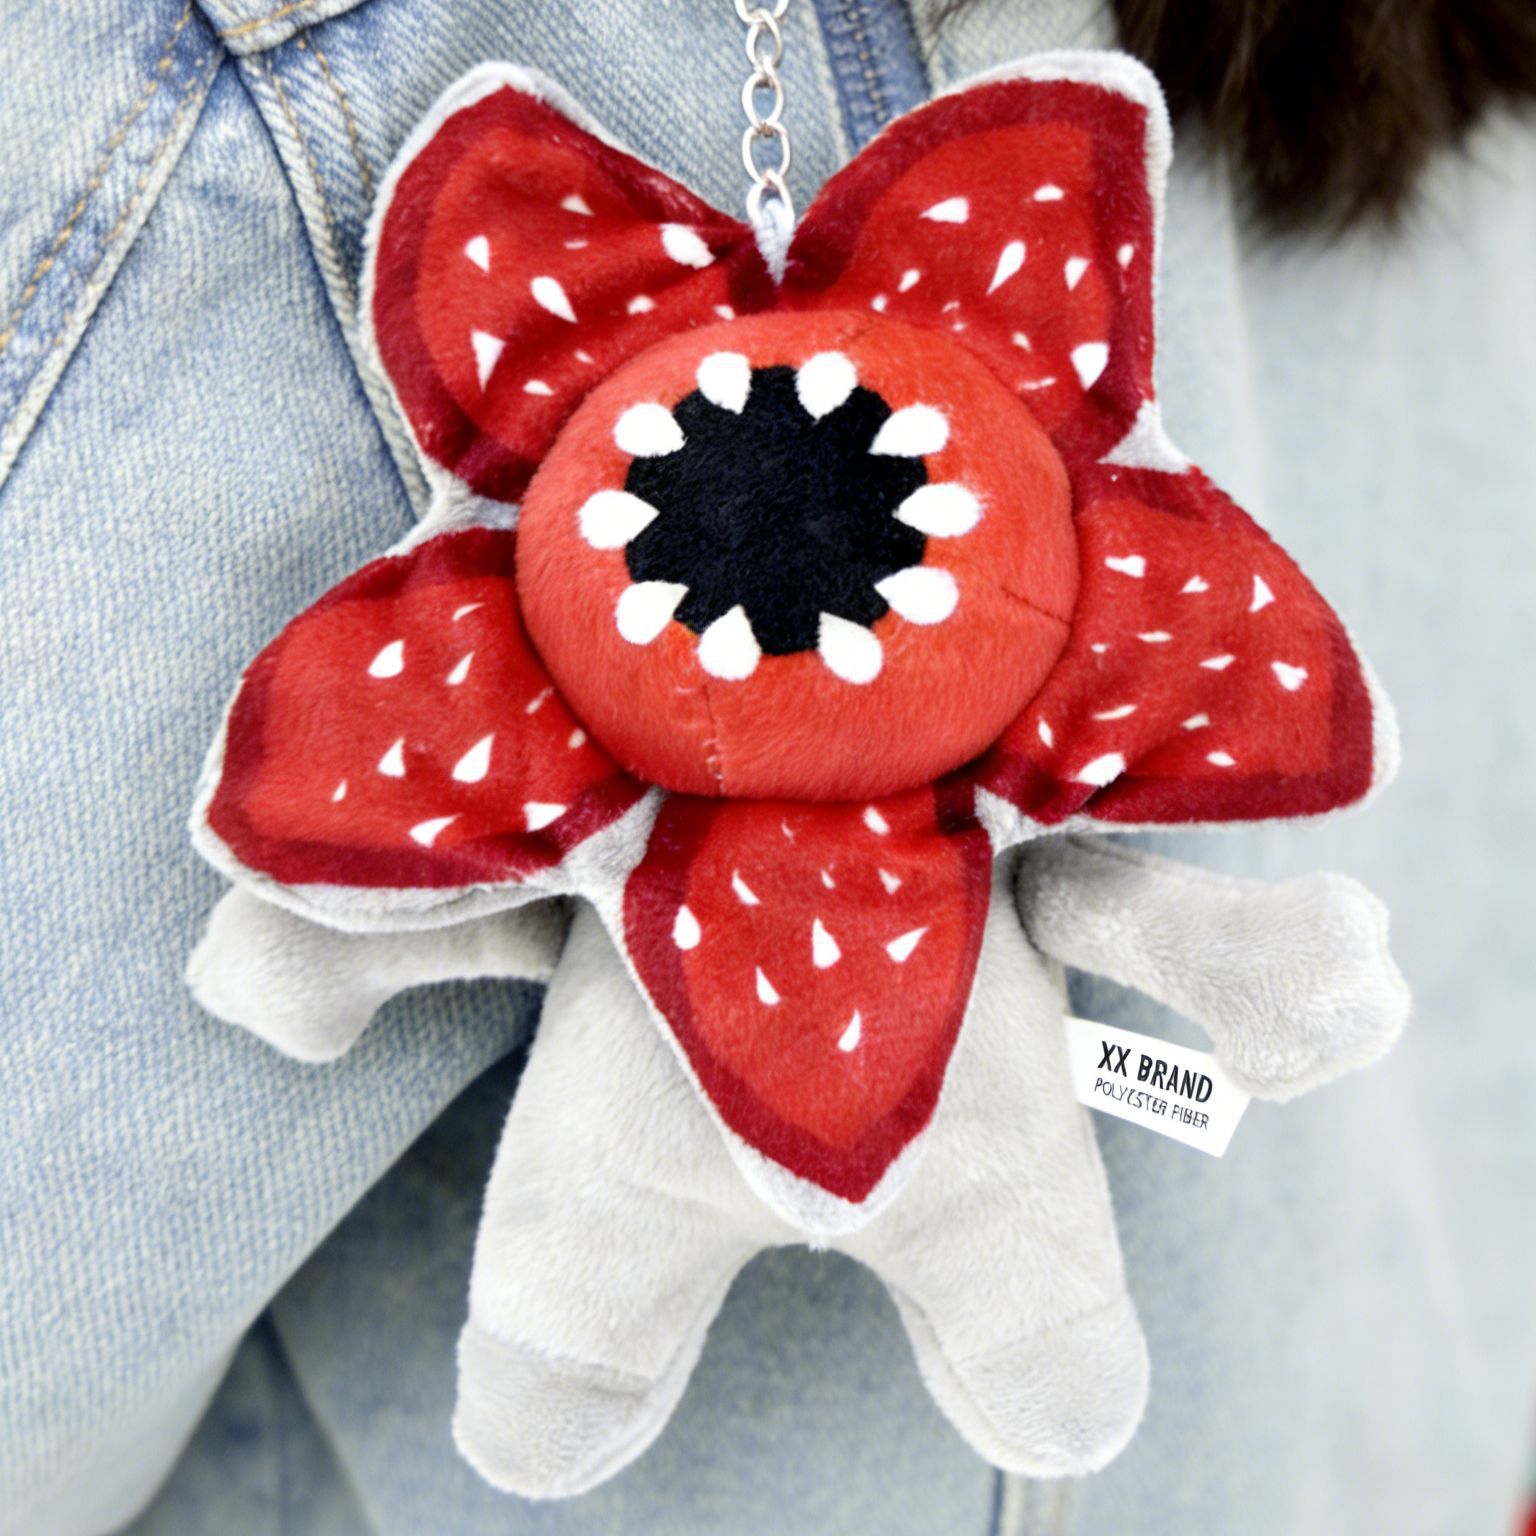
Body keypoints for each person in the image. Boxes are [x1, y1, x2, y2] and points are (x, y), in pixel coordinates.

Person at [1, 2, 1531, 1532]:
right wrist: (321, 956)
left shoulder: (298, 81)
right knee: (664, 1303)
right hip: (1391, 1429)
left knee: (973, 1310)